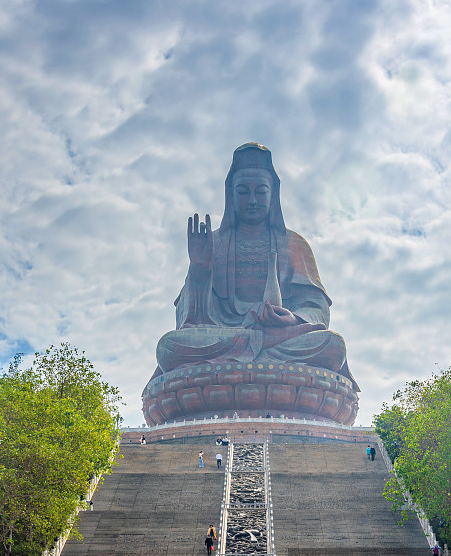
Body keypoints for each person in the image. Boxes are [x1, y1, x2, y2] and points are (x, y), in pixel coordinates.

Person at [153, 144, 357, 383]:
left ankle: (250, 356)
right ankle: (259, 353)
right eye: (242, 192)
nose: (251, 200)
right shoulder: (215, 243)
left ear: (273, 195)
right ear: (230, 195)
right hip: (227, 334)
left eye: (260, 192)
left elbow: (316, 308)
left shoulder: (293, 243)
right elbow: (189, 320)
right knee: (169, 347)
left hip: (282, 336)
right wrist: (199, 269)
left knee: (332, 346)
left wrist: (292, 319)